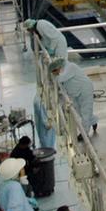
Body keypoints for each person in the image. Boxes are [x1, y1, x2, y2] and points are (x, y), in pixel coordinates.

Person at [24, 18, 67, 147]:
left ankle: (61, 86)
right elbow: (45, 40)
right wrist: (46, 51)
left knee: (60, 67)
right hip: (55, 47)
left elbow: (53, 38)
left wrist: (51, 50)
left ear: (31, 27)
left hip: (59, 46)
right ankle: (58, 85)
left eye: (29, 30)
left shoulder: (41, 25)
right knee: (56, 68)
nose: (30, 33)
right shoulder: (39, 28)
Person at [51, 58, 97, 135]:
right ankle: (93, 121)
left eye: (55, 71)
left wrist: (54, 77)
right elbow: (63, 85)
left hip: (85, 90)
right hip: (76, 92)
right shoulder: (63, 71)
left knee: (85, 111)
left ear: (58, 67)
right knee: (79, 111)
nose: (55, 73)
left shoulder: (70, 67)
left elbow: (62, 78)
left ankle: (84, 133)